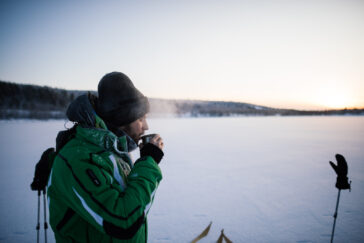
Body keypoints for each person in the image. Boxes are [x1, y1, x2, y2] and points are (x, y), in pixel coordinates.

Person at [47, 72, 164, 242]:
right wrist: (149, 163)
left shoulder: (113, 151)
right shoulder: (78, 158)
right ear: (123, 117)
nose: (146, 126)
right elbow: (124, 221)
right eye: (140, 118)